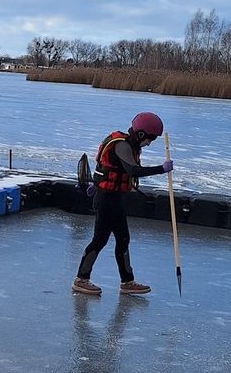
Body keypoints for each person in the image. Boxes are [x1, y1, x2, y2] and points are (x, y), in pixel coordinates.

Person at [71, 111, 173, 296]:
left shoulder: (132, 145)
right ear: (141, 134)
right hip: (106, 199)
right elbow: (133, 171)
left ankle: (127, 281)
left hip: (115, 198)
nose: (149, 143)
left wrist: (96, 184)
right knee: (100, 239)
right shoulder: (122, 145)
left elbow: (110, 170)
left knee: (123, 239)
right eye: (149, 139)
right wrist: (162, 169)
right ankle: (81, 279)